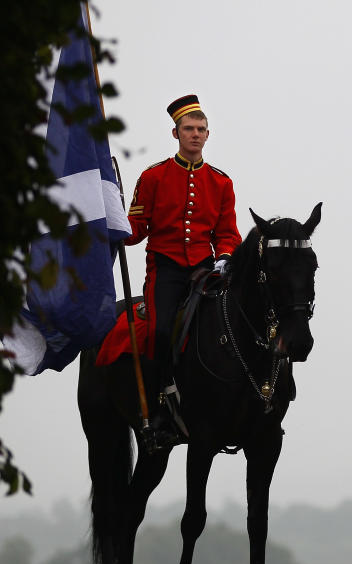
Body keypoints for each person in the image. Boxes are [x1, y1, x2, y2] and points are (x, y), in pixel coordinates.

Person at [125, 94, 241, 446]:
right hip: (166, 266)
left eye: (201, 129)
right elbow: (135, 231)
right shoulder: (153, 176)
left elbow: (228, 233)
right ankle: (160, 407)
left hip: (205, 269)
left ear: (208, 135)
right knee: (159, 332)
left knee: (229, 326)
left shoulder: (221, 182)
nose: (195, 134)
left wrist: (224, 256)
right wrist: (113, 220)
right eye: (188, 129)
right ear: (175, 134)